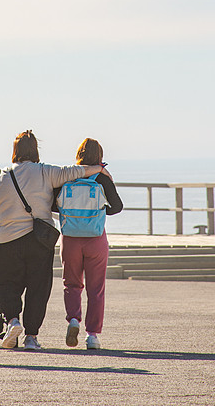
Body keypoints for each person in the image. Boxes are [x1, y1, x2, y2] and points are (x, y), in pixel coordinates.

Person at [0, 130, 107, 351]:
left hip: (8, 240)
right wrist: (98, 168)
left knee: (8, 284)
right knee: (38, 289)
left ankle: (13, 322)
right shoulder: (46, 172)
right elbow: (74, 172)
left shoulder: (0, 175)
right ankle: (31, 337)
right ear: (35, 150)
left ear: (15, 151)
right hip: (39, 241)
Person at [55, 138, 123, 350]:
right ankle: (92, 335)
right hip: (95, 238)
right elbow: (117, 207)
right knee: (96, 289)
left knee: (71, 284)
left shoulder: (68, 177)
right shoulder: (102, 179)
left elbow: (54, 205)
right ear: (99, 157)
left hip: (71, 239)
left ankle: (74, 320)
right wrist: (99, 211)